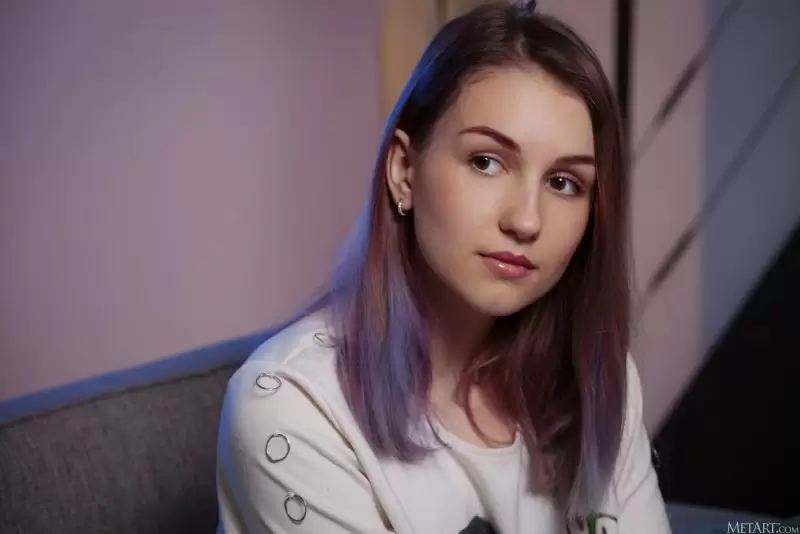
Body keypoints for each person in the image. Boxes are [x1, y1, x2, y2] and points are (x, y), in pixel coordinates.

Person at [215, 1, 671, 533]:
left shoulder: (598, 380)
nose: (526, 220)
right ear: (404, 171)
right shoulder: (293, 407)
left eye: (563, 183)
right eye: (487, 162)